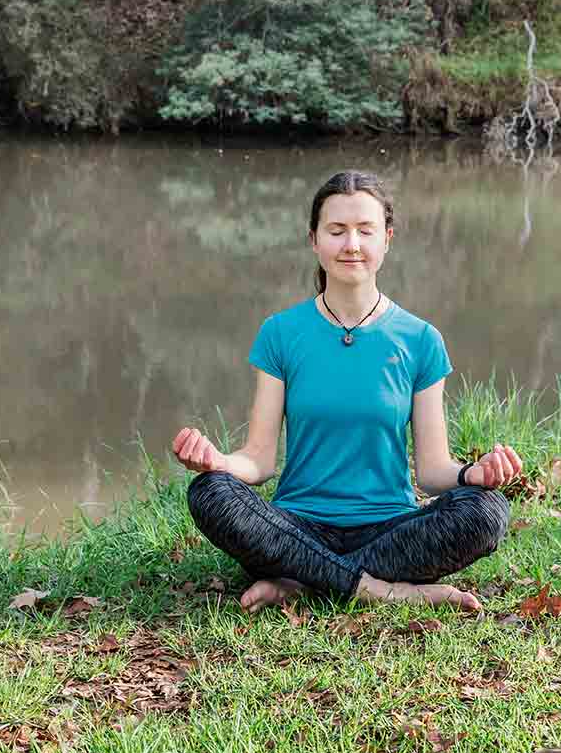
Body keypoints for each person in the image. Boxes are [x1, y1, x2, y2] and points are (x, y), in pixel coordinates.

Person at [170, 169, 524, 613]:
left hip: (388, 531)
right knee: (210, 492)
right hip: (295, 526)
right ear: (314, 240)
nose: (351, 244)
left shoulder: (420, 340)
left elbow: (433, 472)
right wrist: (217, 462)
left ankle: (302, 582)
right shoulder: (281, 333)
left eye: (365, 231)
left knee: (487, 510)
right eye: (336, 231)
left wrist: (472, 474)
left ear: (387, 239)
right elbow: (258, 460)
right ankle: (381, 590)